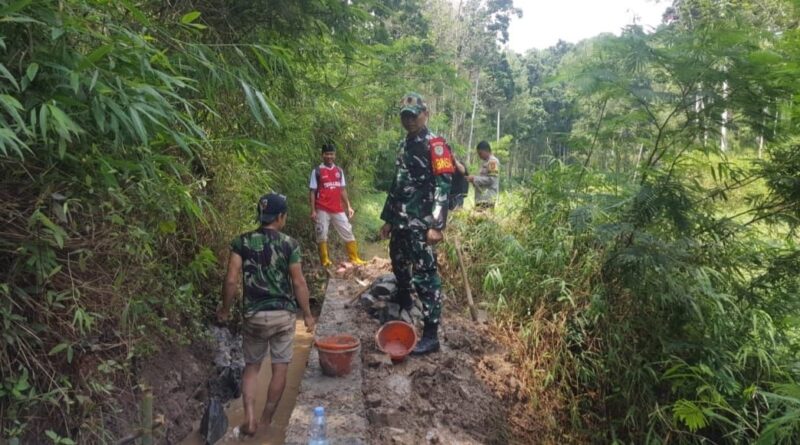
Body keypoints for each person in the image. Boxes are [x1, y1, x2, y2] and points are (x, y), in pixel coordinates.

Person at [217, 193, 315, 437]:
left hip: (254, 316)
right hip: (283, 316)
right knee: (280, 368)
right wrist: (308, 314)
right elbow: (298, 282)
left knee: (252, 367)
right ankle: (266, 420)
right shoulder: (290, 244)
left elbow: (231, 280)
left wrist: (225, 310)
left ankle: (249, 418)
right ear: (280, 217)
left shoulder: (241, 242)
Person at [379, 92, 454, 355]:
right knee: (398, 261)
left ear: (425, 114)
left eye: (414, 115)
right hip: (401, 220)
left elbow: (444, 185)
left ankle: (431, 334)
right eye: (405, 116)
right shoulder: (404, 144)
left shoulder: (436, 145)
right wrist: (388, 218)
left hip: (422, 222)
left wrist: (437, 225)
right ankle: (404, 300)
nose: (409, 120)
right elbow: (397, 183)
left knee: (425, 275)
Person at [309, 143, 367, 267]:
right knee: (322, 234)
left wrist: (348, 206)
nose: (329, 156)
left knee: (347, 230)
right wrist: (313, 210)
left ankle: (354, 258)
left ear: (335, 155)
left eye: (332, 154)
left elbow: (342, 190)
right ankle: (325, 261)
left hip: (337, 208)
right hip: (322, 208)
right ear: (322, 155)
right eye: (327, 154)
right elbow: (312, 191)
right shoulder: (317, 171)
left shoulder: (339, 171)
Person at [467, 140, 500, 209]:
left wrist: (474, 178)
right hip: (481, 198)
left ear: (486, 150)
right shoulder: (485, 162)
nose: (480, 156)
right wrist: (473, 180)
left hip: (487, 199)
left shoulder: (492, 162)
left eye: (480, 153)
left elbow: (491, 179)